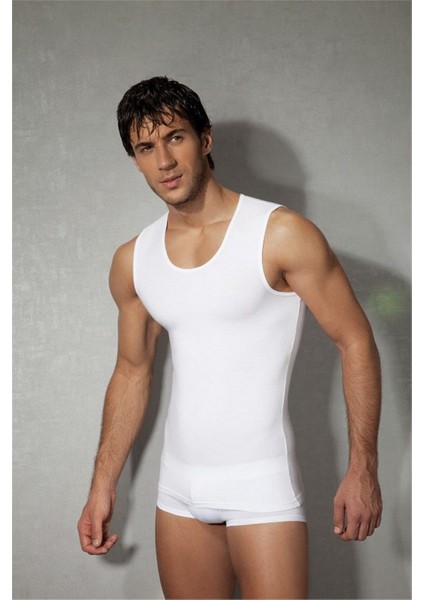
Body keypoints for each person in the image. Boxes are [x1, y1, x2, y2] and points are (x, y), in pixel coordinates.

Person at [77, 76, 382, 599]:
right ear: (135, 160)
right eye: (146, 148)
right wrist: (102, 484)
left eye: (175, 138)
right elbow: (131, 371)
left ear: (205, 139)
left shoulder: (279, 234)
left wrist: (364, 468)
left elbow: (355, 340)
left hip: (261, 487)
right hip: (178, 492)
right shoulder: (134, 260)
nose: (164, 161)